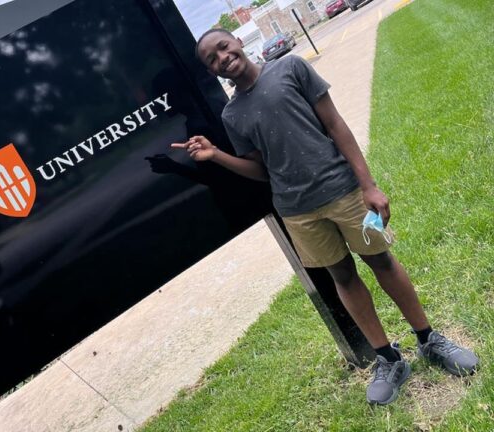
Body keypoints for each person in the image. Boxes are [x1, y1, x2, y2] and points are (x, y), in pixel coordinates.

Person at [173, 29, 479, 405]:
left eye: (223, 47)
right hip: (298, 212)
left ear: (236, 42)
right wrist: (216, 155)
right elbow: (260, 171)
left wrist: (368, 185)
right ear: (212, 70)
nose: (221, 58)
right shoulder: (232, 115)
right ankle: (388, 358)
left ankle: (429, 339)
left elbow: (335, 125)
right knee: (342, 276)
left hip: (344, 192)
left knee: (380, 260)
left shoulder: (290, 69)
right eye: (211, 59)